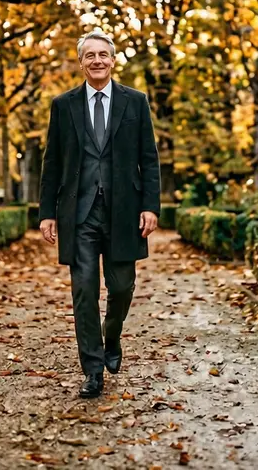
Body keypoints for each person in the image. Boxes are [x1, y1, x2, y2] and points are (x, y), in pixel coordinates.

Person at [38, 29, 161, 399]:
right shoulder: (64, 105)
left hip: (123, 211)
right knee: (84, 290)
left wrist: (150, 206)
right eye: (89, 55)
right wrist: (47, 212)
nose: (96, 61)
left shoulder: (135, 102)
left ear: (112, 59)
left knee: (122, 287)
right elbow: (53, 161)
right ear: (81, 63)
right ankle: (92, 370)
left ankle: (113, 336)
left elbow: (148, 158)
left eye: (102, 54)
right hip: (80, 213)